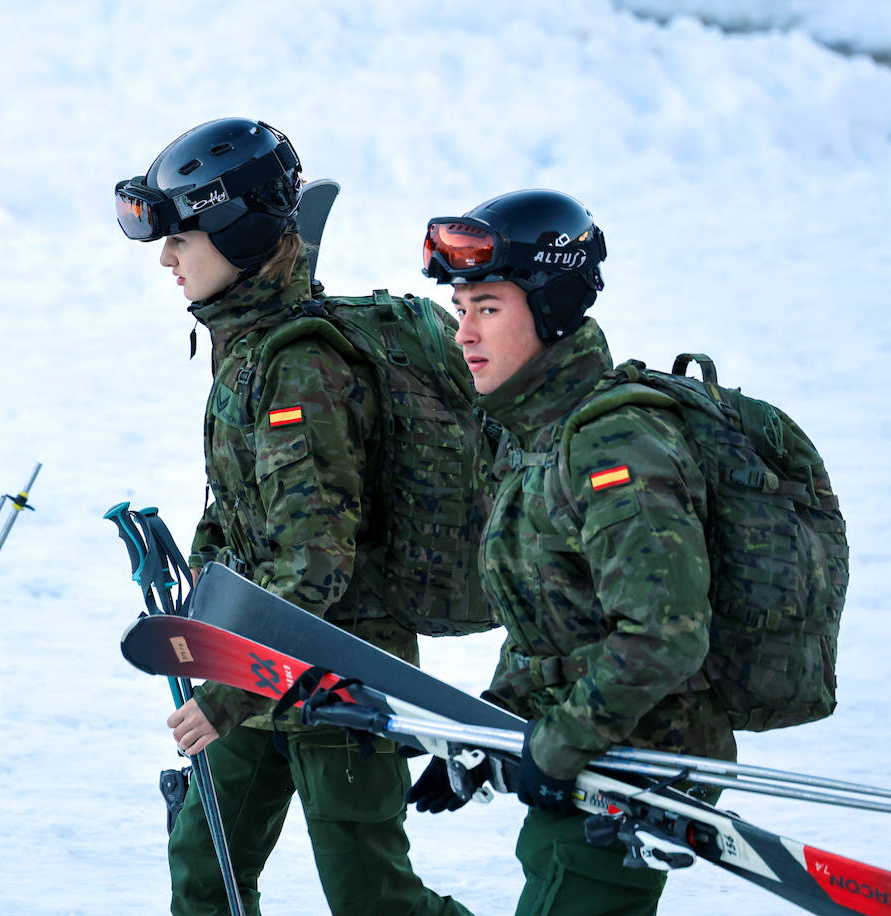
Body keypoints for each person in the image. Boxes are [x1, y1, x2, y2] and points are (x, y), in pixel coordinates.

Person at [116, 117, 476, 916]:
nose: (167, 259)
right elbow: (245, 516)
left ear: (238, 235)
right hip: (254, 661)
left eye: (183, 237)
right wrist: (201, 595)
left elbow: (315, 561)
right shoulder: (245, 349)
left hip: (338, 667)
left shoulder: (298, 367)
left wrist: (224, 692)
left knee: (371, 896)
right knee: (203, 873)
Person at [418, 189, 736, 914]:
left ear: (552, 308)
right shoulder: (536, 439)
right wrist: (493, 725)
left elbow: (665, 636)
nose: (463, 333)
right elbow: (554, 619)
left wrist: (559, 741)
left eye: (488, 309)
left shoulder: (611, 444)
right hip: (585, 772)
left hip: (633, 773)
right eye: (461, 309)